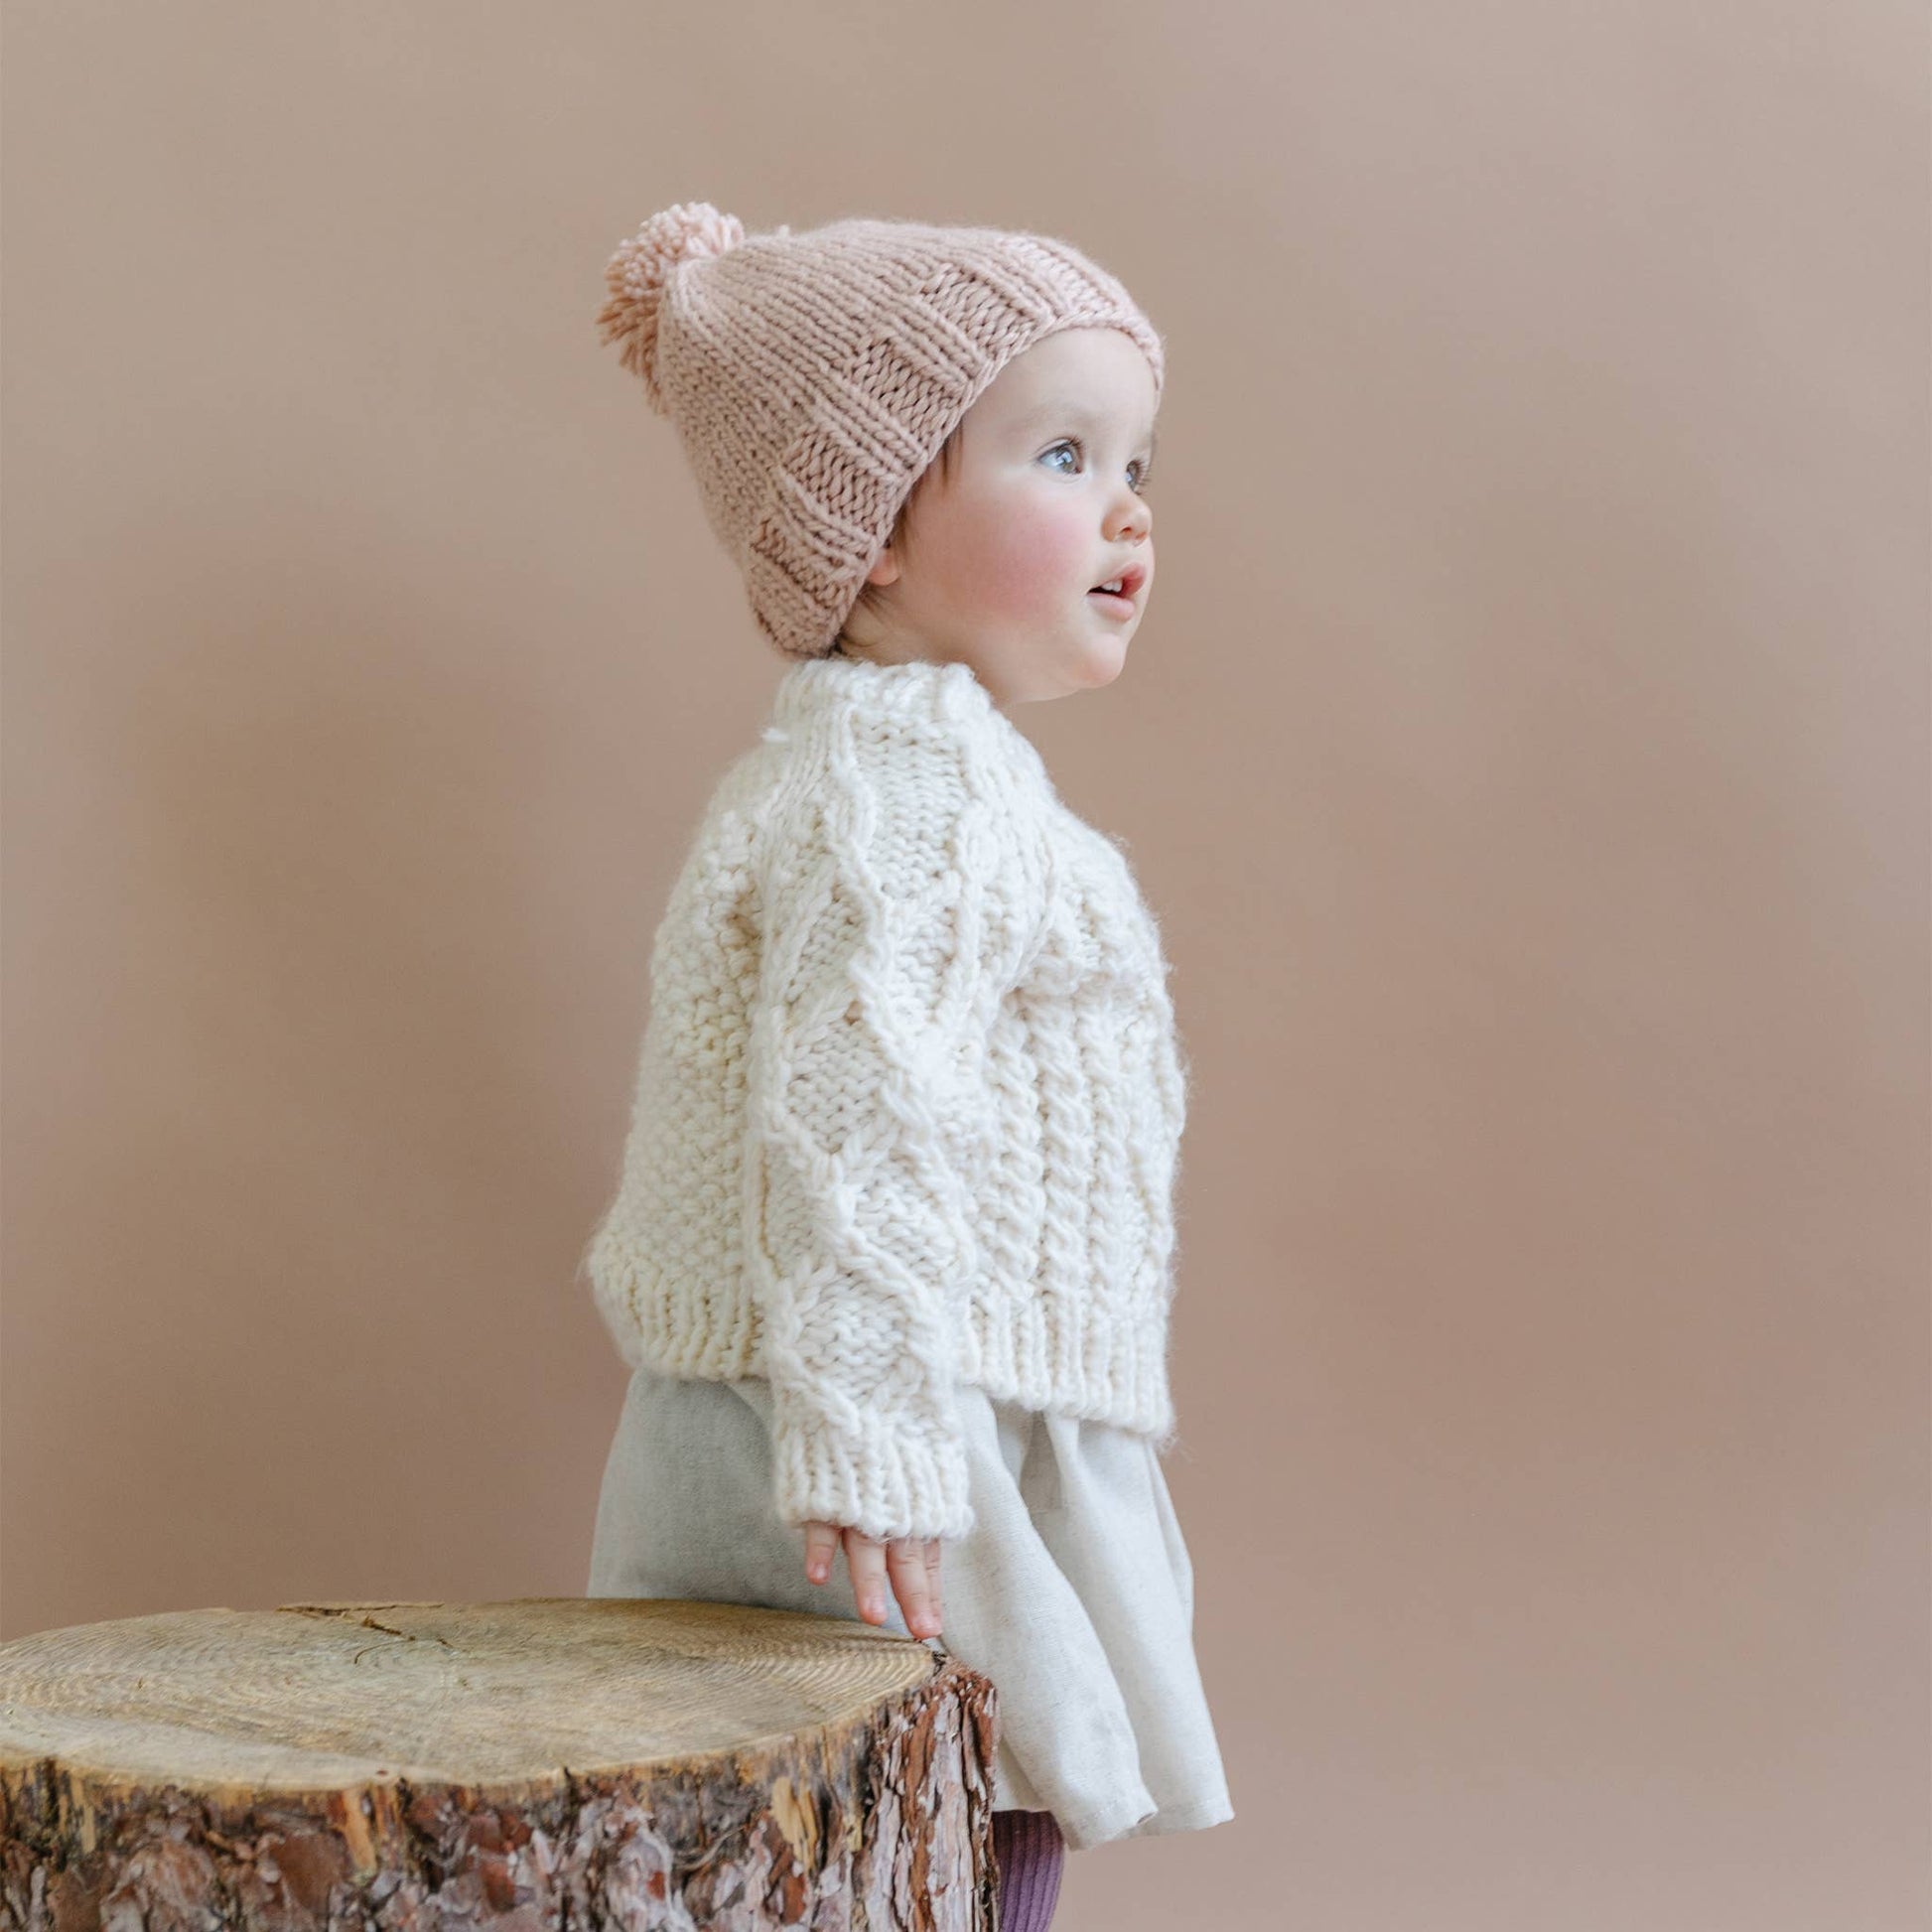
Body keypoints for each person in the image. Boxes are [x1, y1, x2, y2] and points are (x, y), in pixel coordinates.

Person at [578, 203, 1234, 1927]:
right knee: (954, 1811)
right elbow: (859, 1110)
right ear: (867, 529)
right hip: (893, 1430)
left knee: (878, 1831)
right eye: (1063, 454)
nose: (1128, 507)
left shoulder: (907, 770)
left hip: (884, 1400)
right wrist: (873, 1433)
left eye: (1135, 461)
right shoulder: (903, 795)